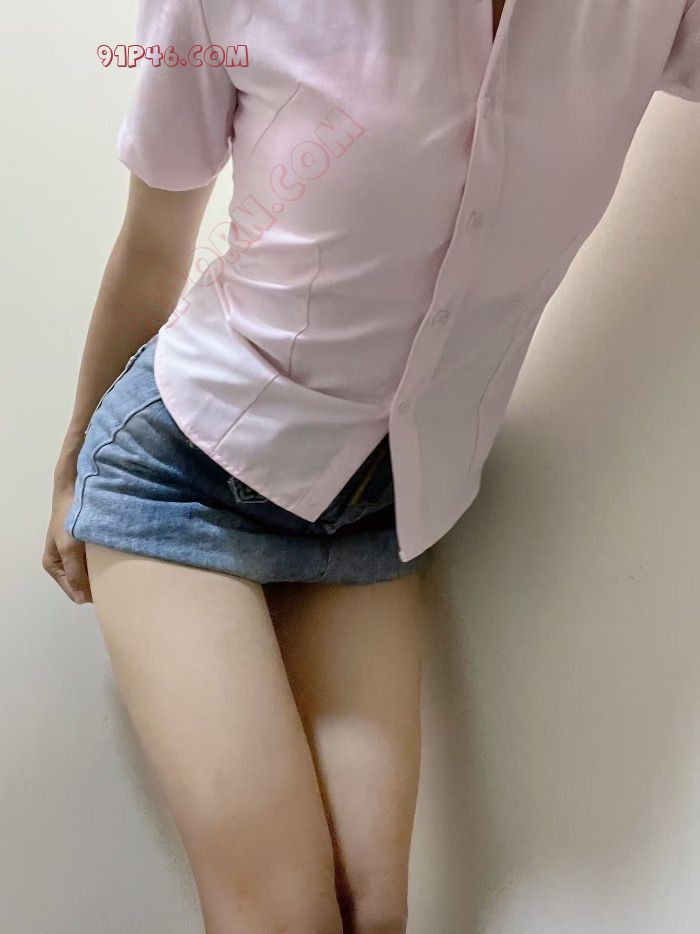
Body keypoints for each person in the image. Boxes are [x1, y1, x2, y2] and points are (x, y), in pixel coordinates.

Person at [43, 0, 699, 931]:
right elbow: (153, 246)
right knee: (283, 915)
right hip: (179, 476)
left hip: (379, 500)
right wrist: (72, 464)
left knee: (372, 909)